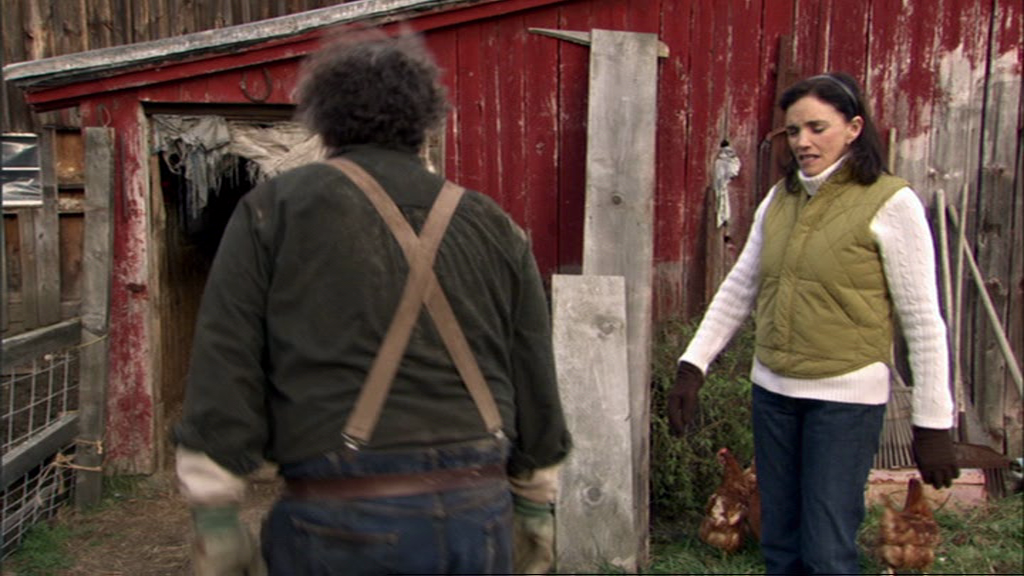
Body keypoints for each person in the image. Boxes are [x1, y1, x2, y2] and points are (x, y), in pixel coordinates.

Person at [173, 29, 570, 576]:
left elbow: (226, 359)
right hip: (478, 514)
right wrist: (536, 505)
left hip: (340, 515)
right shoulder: (492, 224)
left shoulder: (275, 208)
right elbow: (533, 368)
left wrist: (215, 513)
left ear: (324, 119)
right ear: (424, 120)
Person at [667, 72, 959, 575]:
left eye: (817, 128)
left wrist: (933, 423)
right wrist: (692, 365)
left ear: (854, 129)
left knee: (825, 548)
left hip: (845, 401)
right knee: (779, 540)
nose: (803, 141)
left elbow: (922, 320)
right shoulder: (779, 200)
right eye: (793, 130)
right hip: (773, 394)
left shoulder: (891, 202)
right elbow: (740, 287)